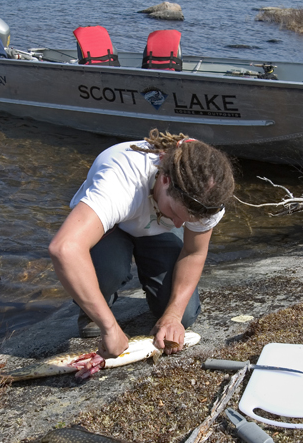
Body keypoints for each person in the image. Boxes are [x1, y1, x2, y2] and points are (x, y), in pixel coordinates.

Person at [49, 129, 234, 360]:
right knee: (108, 270)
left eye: (187, 221)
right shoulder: (120, 180)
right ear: (165, 180)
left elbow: (193, 251)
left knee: (184, 316)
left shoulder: (208, 196)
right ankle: (93, 309)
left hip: (153, 230)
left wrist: (173, 315)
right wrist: (109, 327)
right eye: (175, 213)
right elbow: (65, 248)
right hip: (113, 226)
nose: (177, 224)